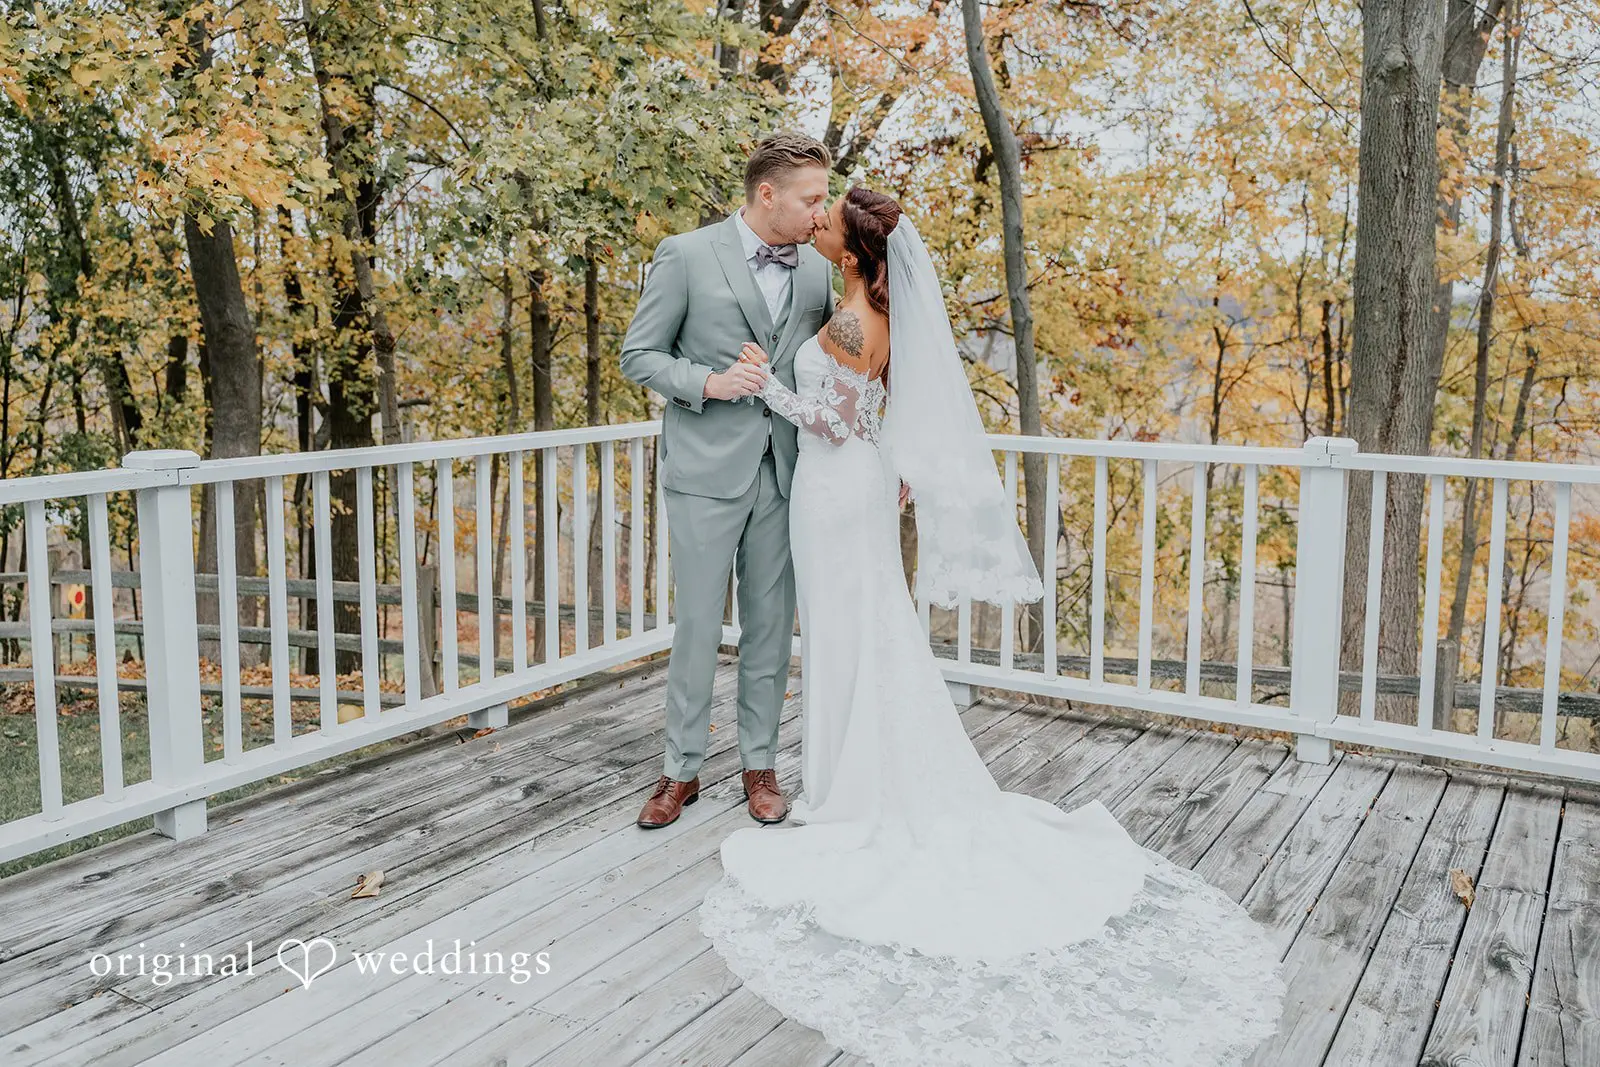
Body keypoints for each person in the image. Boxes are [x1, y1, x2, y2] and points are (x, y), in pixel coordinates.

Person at [700, 186, 1288, 1066]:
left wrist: (766, 387)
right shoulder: (858, 309)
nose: (815, 227)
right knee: (854, 633)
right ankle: (840, 779)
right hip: (845, 490)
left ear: (858, 254)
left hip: (835, 491)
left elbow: (837, 419)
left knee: (854, 632)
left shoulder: (858, 322)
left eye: (827, 224)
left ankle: (851, 790)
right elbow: (873, 419)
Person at [618, 133, 833, 829]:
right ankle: (679, 771)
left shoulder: (816, 271)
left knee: (771, 629)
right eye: (811, 199)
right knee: (697, 627)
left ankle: (760, 765)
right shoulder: (685, 254)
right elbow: (639, 355)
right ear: (766, 194)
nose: (819, 213)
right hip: (705, 473)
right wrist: (708, 382)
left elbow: (845, 362)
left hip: (785, 473)